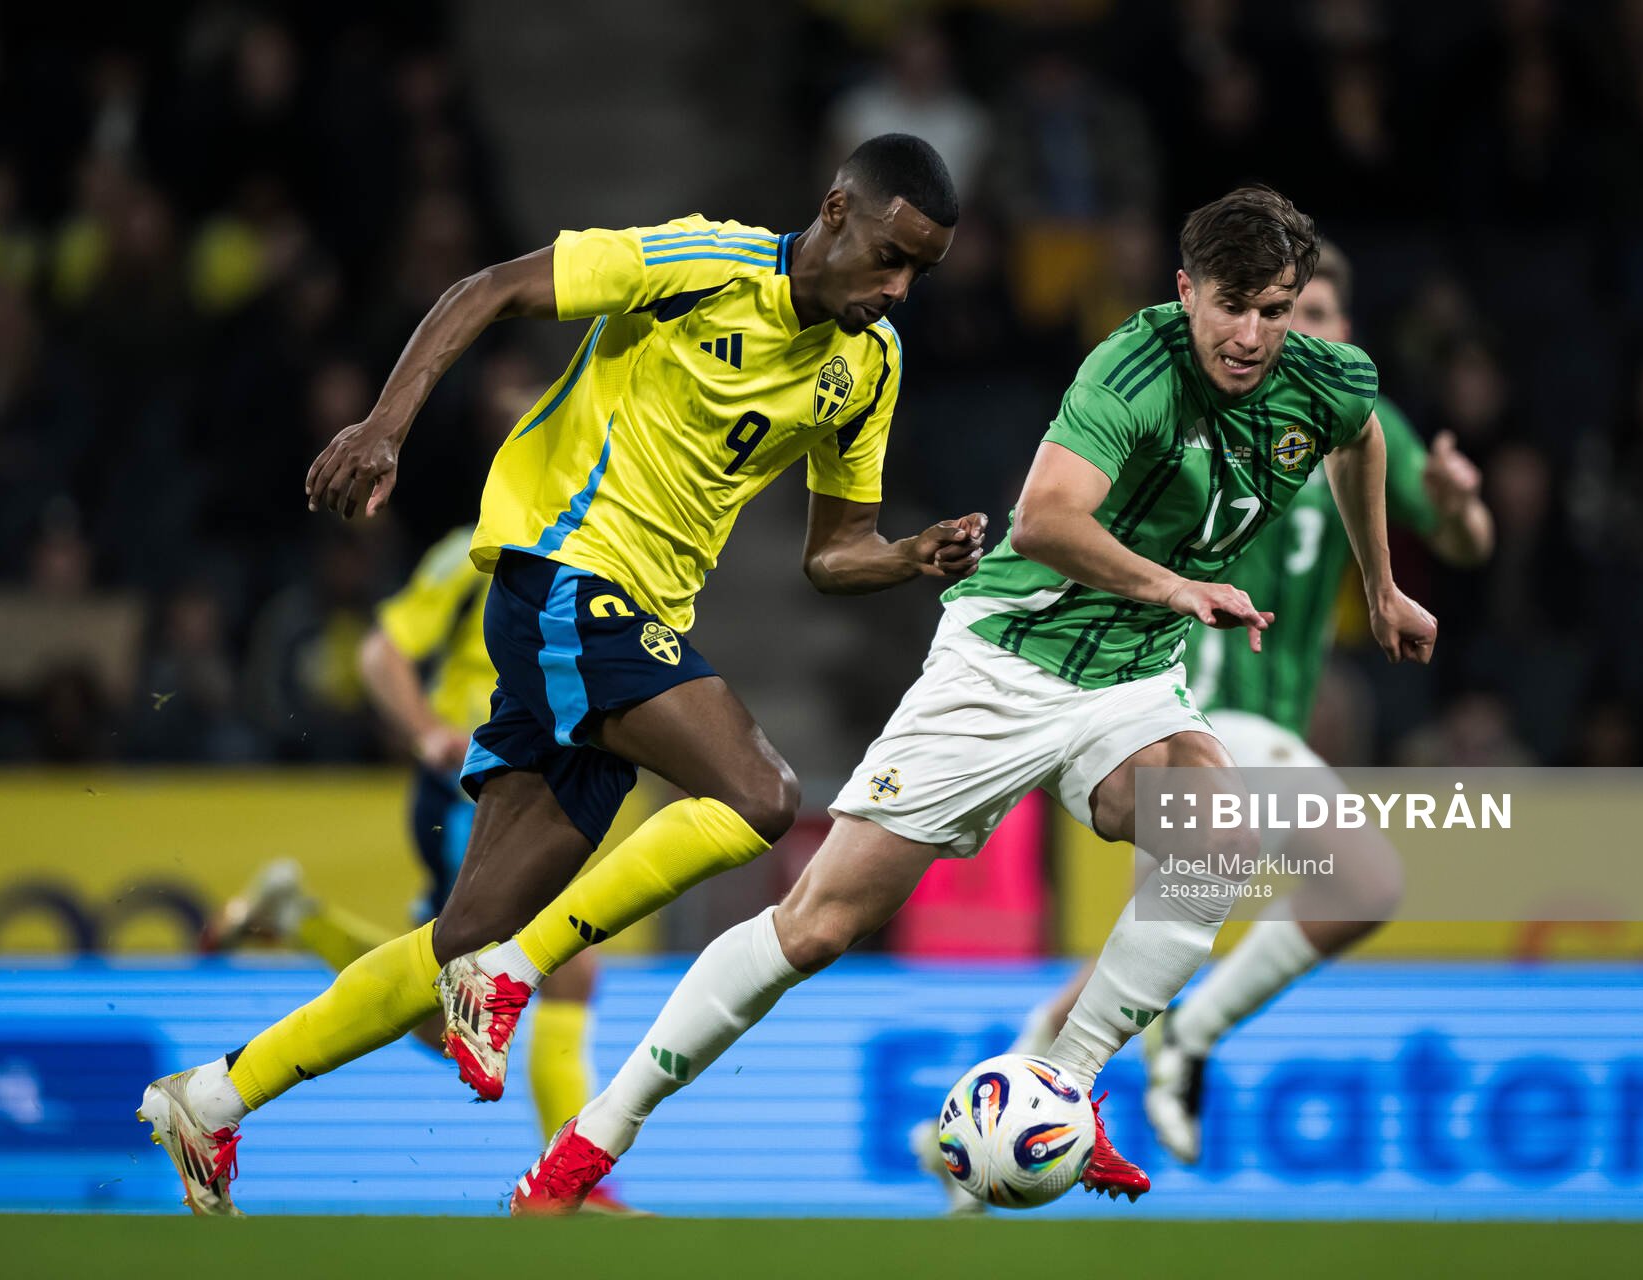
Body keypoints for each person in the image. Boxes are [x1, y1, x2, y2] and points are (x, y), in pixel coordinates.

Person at [496, 185, 1438, 1215]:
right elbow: (1042, 521)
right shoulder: (1132, 366)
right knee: (816, 925)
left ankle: (1068, 1086)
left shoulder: (1328, 380)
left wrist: (1381, 582)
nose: (1254, 336)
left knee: (1217, 830)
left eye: (1276, 309)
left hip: (1130, 675)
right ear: (1186, 291)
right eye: (1233, 307)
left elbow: (1360, 439)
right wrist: (1177, 585)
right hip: (1005, 662)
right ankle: (586, 1145)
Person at [137, 134, 977, 1216]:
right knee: (763, 793)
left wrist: (909, 556)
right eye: (890, 255)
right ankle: (516, 971)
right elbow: (489, 290)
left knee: (459, 934)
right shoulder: (701, 265)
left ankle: (212, 1094)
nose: (897, 288)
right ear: (834, 210)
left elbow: (832, 551)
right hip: (563, 579)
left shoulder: (870, 366)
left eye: (921, 273)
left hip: (629, 624)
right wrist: (386, 426)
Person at [922, 244, 1494, 1210]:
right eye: (1273, 314)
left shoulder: (1350, 418)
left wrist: (1462, 509)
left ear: (1341, 333)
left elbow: (1464, 546)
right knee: (1357, 879)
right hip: (1185, 704)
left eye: (1308, 317)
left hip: (1253, 723)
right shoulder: (1197, 406)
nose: (1279, 339)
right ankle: (1164, 1048)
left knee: (1158, 948)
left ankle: (1004, 1113)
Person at [201, 526, 632, 1212]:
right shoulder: (482, 549)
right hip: (475, 786)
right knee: (569, 967)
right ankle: (576, 1184)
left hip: (536, 783)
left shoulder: (612, 540)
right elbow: (381, 652)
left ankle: (298, 919)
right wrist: (427, 730)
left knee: (438, 1019)